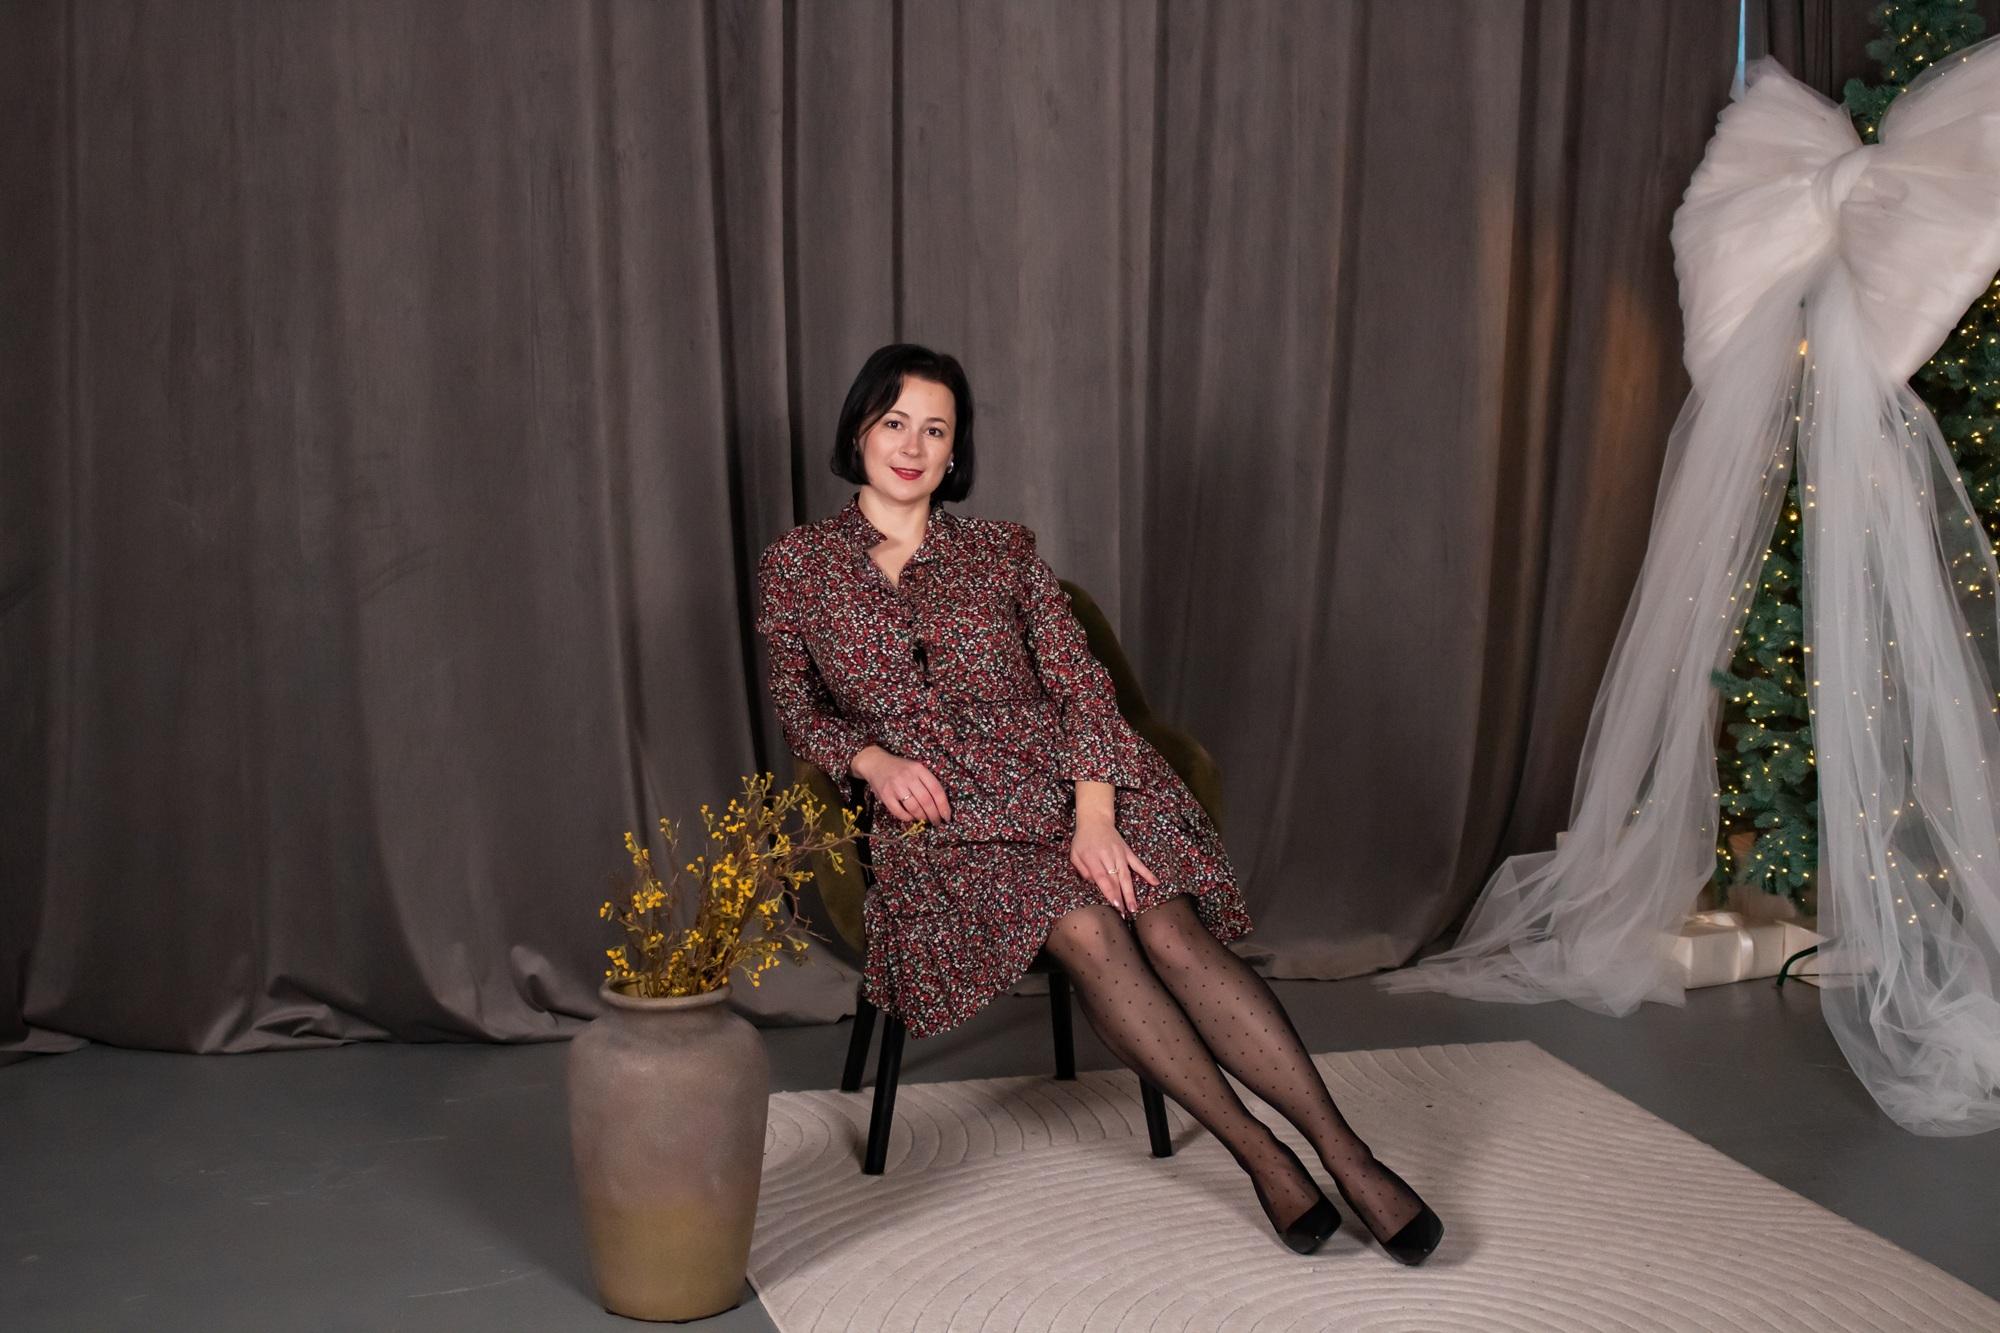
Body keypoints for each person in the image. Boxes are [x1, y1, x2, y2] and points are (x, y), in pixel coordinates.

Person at [753, 341, 1442, 1262]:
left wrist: (1094, 817)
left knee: (1168, 927)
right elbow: (799, 708)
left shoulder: (1004, 552)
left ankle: (1348, 1154)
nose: (912, 446)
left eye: (935, 430)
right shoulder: (798, 565)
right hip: (949, 824)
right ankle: (1263, 1155)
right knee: (1087, 929)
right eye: (894, 423)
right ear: (859, 432)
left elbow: (1082, 688)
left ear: (955, 452)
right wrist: (873, 760)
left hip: (1073, 782)